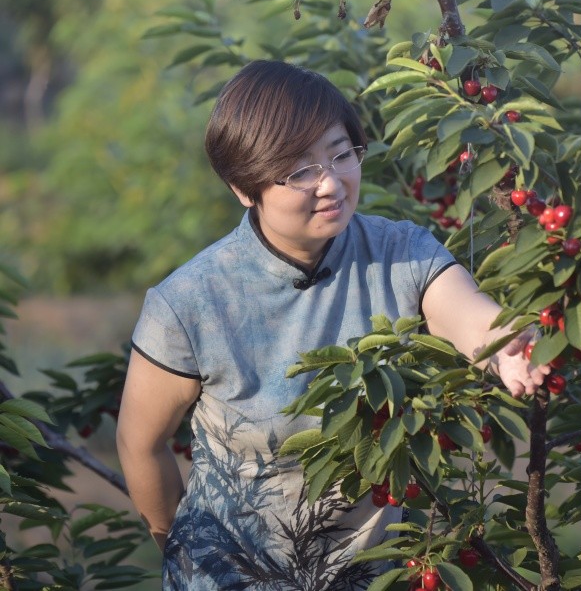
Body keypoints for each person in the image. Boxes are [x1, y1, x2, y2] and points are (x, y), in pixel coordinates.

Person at [115, 59, 547, 590]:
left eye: (341, 154)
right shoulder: (190, 302)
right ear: (243, 188)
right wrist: (179, 551)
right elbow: (141, 443)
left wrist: (505, 344)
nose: (331, 183)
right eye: (299, 170)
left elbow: (466, 311)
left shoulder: (399, 252)